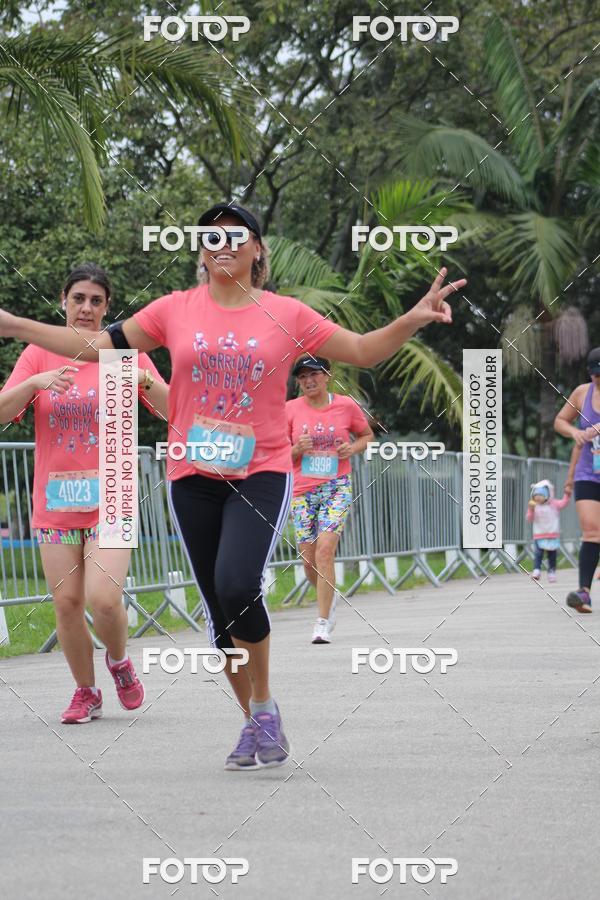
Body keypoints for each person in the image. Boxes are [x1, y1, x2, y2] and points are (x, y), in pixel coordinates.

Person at [0, 203, 466, 768]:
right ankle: (253, 723)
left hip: (260, 471)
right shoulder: (173, 310)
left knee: (237, 581)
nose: (223, 244)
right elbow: (96, 346)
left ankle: (265, 706)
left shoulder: (287, 314)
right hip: (192, 477)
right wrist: (13, 324)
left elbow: (364, 349)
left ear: (257, 249)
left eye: (235, 236)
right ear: (201, 250)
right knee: (221, 610)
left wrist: (413, 318)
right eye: (211, 236)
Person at [0, 263, 168, 721]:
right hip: (54, 501)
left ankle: (118, 662)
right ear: (64, 301)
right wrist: (33, 384)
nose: (87, 308)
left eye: (97, 301)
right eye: (79, 299)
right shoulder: (39, 353)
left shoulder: (123, 352)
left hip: (112, 495)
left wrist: (146, 382)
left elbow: (178, 410)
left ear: (108, 308)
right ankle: (86, 692)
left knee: (104, 598)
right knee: (68, 602)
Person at [286, 355, 373, 643]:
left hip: (337, 486)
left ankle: (322, 621)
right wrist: (297, 449)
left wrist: (352, 448)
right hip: (302, 492)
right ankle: (329, 595)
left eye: (314, 374)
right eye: (302, 377)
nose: (309, 381)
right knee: (309, 562)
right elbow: (277, 456)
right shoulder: (289, 410)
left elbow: (366, 435)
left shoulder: (346, 405)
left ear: (327, 376)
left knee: (325, 550)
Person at [554, 347, 600, 613]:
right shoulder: (582, 393)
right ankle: (583, 593)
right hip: (588, 473)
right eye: (596, 375)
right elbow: (560, 421)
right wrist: (575, 433)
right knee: (592, 530)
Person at [526, 479, 571, 582]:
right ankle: (536, 570)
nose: (537, 497)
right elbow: (529, 518)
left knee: (552, 555)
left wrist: (567, 495)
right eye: (535, 495)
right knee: (538, 554)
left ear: (547, 494)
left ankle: (552, 572)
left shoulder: (554, 504)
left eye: (540, 495)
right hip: (539, 534)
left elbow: (563, 503)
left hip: (552, 534)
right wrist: (531, 509)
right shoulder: (534, 506)